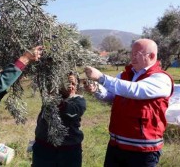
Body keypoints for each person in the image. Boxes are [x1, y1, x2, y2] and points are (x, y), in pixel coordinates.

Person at [84, 38, 174, 167]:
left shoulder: (161, 78)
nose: (132, 57)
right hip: (116, 145)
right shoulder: (125, 75)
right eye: (131, 53)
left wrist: (101, 78)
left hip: (142, 150)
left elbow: (135, 90)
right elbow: (112, 96)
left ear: (152, 56)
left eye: (137, 54)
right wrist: (96, 90)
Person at [32, 73, 86, 167]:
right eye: (67, 83)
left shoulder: (79, 100)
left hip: (69, 150)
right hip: (44, 148)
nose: (70, 86)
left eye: (73, 84)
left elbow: (72, 112)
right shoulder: (49, 97)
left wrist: (55, 100)